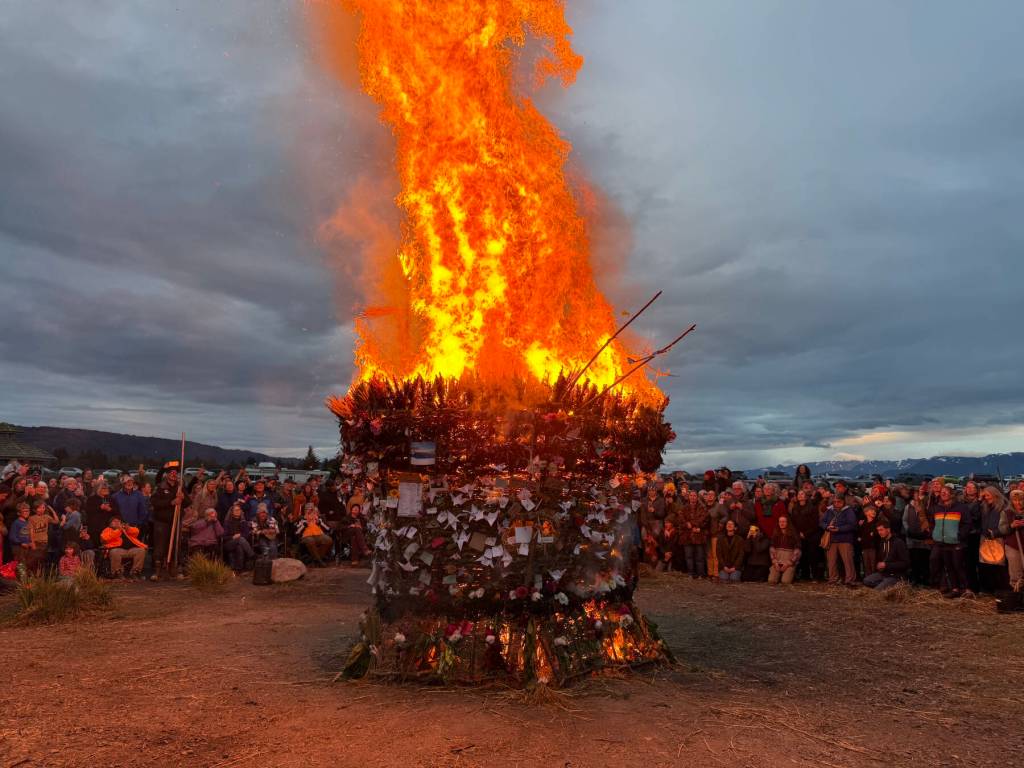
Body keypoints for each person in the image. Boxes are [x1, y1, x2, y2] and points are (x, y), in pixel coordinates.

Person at [930, 485, 971, 598]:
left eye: (946, 492)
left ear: (952, 494)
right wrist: (934, 534)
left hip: (957, 542)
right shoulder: (937, 508)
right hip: (943, 542)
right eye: (942, 492)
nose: (943, 493)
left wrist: (959, 536)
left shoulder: (961, 507)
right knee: (949, 566)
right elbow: (932, 523)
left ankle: (966, 589)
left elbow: (967, 523)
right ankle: (955, 589)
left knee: (958, 566)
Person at [150, 463, 189, 580]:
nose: (173, 475)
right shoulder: (160, 487)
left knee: (176, 545)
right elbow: (154, 502)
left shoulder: (180, 487)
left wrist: (183, 498)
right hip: (161, 522)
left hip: (176, 521)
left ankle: (174, 570)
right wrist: (171, 502)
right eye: (171, 473)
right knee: (160, 546)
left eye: (175, 473)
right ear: (167, 475)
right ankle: (157, 572)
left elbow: (188, 502)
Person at [978, 486, 1010, 593]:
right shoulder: (985, 506)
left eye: (987, 495)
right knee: (986, 565)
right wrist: (980, 499)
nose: (986, 498)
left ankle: (1001, 590)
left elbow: (1007, 526)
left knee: (998, 566)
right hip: (985, 538)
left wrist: (995, 533)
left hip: (998, 539)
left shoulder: (1004, 507)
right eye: (984, 495)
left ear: (995, 494)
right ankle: (988, 589)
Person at [863, 518, 909, 589]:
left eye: (881, 530)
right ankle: (886, 585)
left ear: (888, 529)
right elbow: (881, 560)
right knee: (866, 581)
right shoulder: (882, 542)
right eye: (878, 530)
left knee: (877, 590)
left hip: (895, 575)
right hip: (884, 573)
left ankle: (894, 585)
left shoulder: (898, 542)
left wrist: (886, 565)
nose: (879, 532)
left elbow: (905, 563)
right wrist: (879, 565)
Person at [821, 495, 857, 585]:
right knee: (831, 561)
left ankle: (850, 580)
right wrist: (827, 527)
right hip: (832, 539)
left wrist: (839, 529)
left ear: (843, 502)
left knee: (847, 561)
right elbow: (822, 522)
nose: (836, 503)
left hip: (844, 539)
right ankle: (833, 579)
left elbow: (852, 525)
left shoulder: (848, 511)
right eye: (835, 502)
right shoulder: (830, 510)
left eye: (839, 502)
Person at [789, 490, 823, 581]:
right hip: (799, 535)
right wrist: (798, 533)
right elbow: (793, 522)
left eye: (802, 494)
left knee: (813, 556)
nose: (800, 495)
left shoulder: (812, 508)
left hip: (812, 536)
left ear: (806, 496)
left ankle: (816, 576)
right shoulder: (795, 508)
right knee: (802, 556)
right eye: (798, 494)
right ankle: (805, 575)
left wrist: (806, 533)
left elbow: (815, 523)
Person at [904, 489, 932, 586]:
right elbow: (904, 520)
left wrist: (925, 531)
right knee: (913, 559)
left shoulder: (926, 507)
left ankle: (924, 579)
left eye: (919, 495)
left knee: (924, 559)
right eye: (915, 495)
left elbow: (928, 521)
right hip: (912, 537)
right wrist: (908, 530)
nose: (917, 497)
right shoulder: (908, 507)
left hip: (923, 538)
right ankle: (915, 579)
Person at [678, 491, 709, 578]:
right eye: (691, 495)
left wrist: (693, 525)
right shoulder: (684, 508)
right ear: (688, 497)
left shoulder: (702, 507)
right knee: (689, 556)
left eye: (694, 496)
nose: (692, 497)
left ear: (697, 497)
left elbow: (705, 519)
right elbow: (681, 519)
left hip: (699, 535)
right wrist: (687, 525)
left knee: (700, 557)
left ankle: (700, 574)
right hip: (687, 536)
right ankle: (691, 573)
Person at [768, 515, 801, 585]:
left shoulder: (793, 534)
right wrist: (775, 562)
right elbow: (772, 549)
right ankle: (778, 575)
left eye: (784, 521)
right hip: (777, 562)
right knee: (771, 581)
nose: (781, 523)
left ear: (787, 523)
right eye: (780, 522)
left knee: (785, 582)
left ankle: (789, 575)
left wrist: (789, 563)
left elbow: (798, 551)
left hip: (788, 563)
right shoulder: (775, 534)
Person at [222, 504, 254, 572]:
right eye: (236, 510)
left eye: (239, 510)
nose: (238, 511)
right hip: (228, 543)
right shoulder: (227, 522)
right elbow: (224, 537)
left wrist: (240, 535)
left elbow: (247, 534)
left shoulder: (243, 522)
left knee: (239, 546)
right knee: (240, 539)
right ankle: (252, 556)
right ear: (232, 512)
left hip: (240, 542)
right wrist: (232, 537)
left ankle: (239, 568)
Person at [1005, 490, 1024, 587]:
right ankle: (1018, 592)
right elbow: (1001, 529)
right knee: (1016, 572)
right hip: (1013, 545)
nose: (1018, 503)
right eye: (1015, 500)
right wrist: (1011, 526)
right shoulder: (1007, 513)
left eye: (1021, 500)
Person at [858, 504, 882, 578]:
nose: (874, 512)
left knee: (873, 563)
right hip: (865, 547)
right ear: (866, 513)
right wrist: (859, 538)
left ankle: (874, 579)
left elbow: (877, 534)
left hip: (873, 547)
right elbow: (860, 534)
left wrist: (873, 534)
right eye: (871, 510)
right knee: (866, 564)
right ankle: (868, 579)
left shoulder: (877, 522)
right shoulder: (863, 523)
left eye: (874, 510)